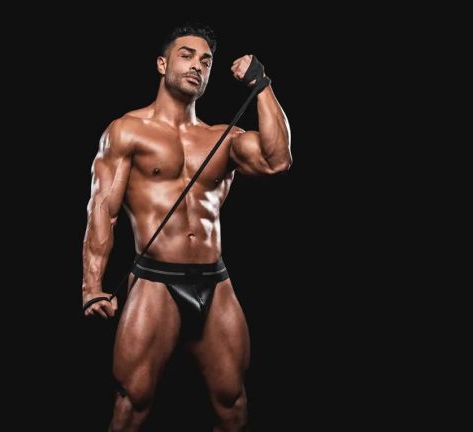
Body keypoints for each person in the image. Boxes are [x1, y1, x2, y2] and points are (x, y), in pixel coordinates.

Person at [81, 22, 291, 431]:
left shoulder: (223, 138)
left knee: (232, 403)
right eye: (187, 55)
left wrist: (262, 84)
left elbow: (277, 159)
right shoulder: (127, 130)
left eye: (206, 61)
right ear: (162, 64)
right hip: (156, 281)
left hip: (215, 281)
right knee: (133, 401)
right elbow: (102, 209)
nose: (198, 65)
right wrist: (92, 286)